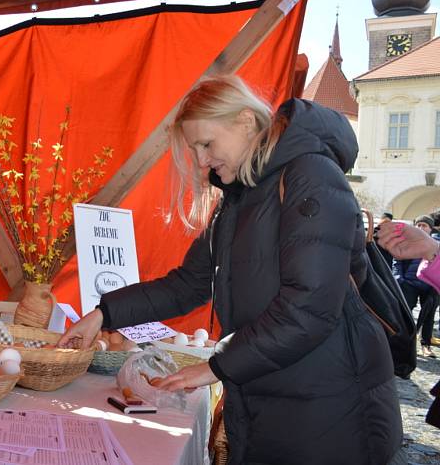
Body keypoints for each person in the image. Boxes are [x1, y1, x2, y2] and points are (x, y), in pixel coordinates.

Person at [59, 75, 402, 464]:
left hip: (331, 409)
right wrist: (103, 314)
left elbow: (309, 307)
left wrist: (218, 366)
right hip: (271, 401)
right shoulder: (238, 201)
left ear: (243, 121)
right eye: (195, 150)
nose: (202, 160)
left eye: (207, 144)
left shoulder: (310, 175)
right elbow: (186, 285)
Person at [378, 220, 440, 428]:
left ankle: (423, 343)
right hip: (410, 284)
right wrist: (432, 251)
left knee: (425, 318)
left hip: (425, 287)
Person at [393, 215, 440, 358]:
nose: (421, 228)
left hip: (430, 286)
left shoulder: (437, 244)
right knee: (405, 313)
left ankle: (425, 345)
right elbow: (397, 260)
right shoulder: (407, 241)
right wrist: (399, 278)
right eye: (418, 225)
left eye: (424, 226)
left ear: (431, 229)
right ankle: (403, 343)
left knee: (429, 316)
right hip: (410, 283)